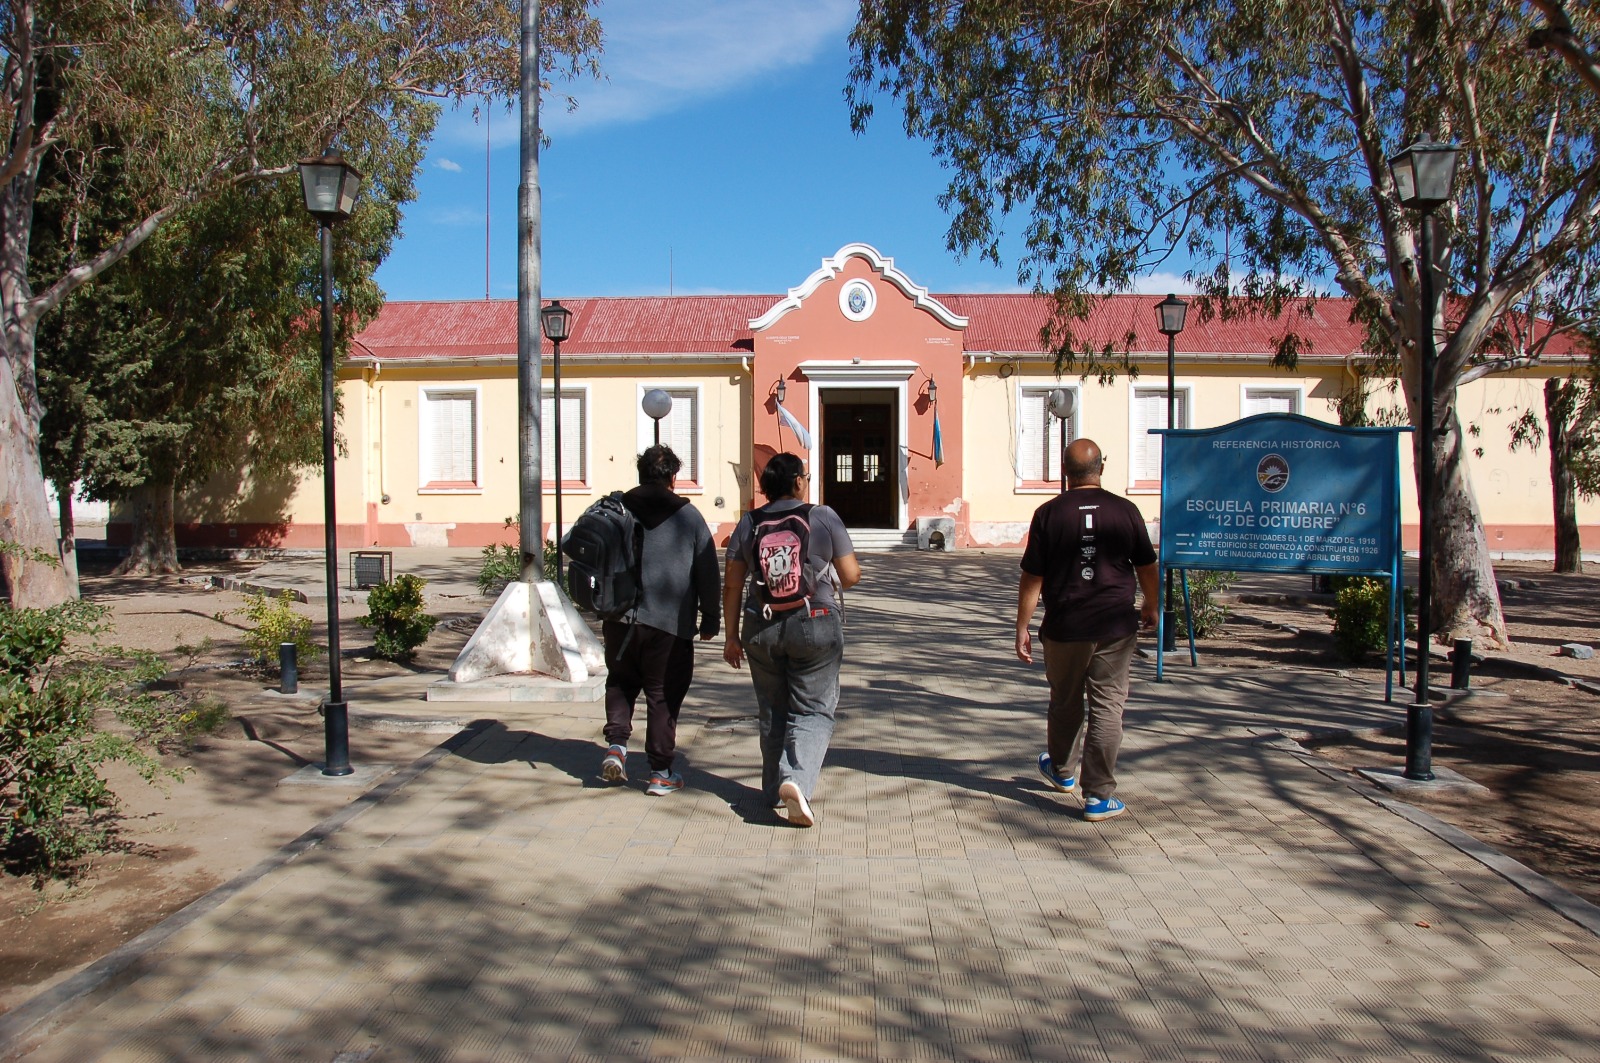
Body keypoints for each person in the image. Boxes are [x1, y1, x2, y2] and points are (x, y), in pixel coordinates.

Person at [1015, 437, 1159, 822]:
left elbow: (1033, 576)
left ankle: (1062, 771)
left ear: (1065, 471)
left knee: (1064, 700)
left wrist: (1022, 626)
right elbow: (1147, 565)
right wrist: (1152, 604)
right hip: (1114, 624)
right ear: (1102, 468)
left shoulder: (1048, 513)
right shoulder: (1126, 510)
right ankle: (1097, 795)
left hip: (1064, 625)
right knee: (1108, 705)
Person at [722, 452, 860, 827]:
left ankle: (772, 791)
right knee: (814, 709)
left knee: (772, 708)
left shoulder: (749, 522)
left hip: (760, 625)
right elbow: (850, 575)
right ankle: (796, 781)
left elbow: (733, 582)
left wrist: (731, 635)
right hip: (814, 621)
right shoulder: (823, 516)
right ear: (799, 481)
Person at [597, 445, 721, 795]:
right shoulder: (689, 517)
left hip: (619, 618)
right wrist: (711, 618)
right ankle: (660, 772)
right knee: (661, 695)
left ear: (640, 474)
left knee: (620, 682)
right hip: (668, 626)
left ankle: (617, 748)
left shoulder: (617, 508)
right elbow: (708, 571)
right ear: (672, 477)